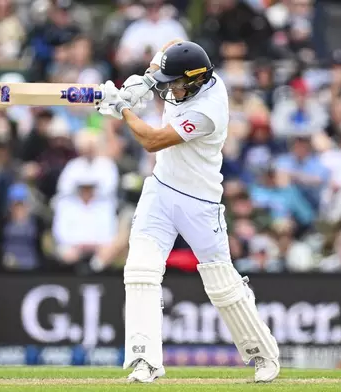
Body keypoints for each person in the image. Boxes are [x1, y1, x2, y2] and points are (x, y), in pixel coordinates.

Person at [96, 40, 280, 383]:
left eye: (175, 83)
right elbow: (171, 47)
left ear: (196, 81)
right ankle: (145, 361)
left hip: (200, 202)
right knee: (139, 270)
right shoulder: (186, 74)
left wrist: (122, 108)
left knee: (221, 284)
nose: (171, 89)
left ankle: (263, 354)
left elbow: (152, 140)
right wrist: (149, 78)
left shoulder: (207, 110)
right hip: (161, 189)